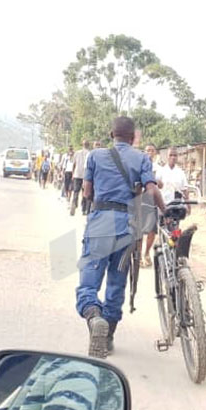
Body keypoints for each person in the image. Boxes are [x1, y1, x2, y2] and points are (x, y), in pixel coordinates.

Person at [76, 116, 165, 359]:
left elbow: (86, 191)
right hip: (127, 229)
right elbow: (151, 190)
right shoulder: (142, 158)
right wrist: (164, 212)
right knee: (117, 282)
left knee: (89, 282)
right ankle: (108, 336)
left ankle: (94, 318)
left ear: (111, 134)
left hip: (99, 225)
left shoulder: (95, 156)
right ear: (132, 136)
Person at [140, 143, 162, 268]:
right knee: (140, 231)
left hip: (153, 202)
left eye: (152, 150)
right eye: (147, 150)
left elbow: (161, 184)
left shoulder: (158, 168)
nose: (149, 152)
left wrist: (156, 181)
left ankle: (147, 252)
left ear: (155, 153)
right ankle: (138, 256)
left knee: (152, 231)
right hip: (140, 201)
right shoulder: (139, 165)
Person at [70, 140, 91, 216]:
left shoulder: (77, 153)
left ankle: (74, 203)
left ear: (82, 145)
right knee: (85, 193)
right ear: (88, 145)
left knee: (76, 191)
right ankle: (84, 209)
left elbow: (74, 164)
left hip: (77, 174)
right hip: (86, 175)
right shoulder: (90, 153)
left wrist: (73, 174)